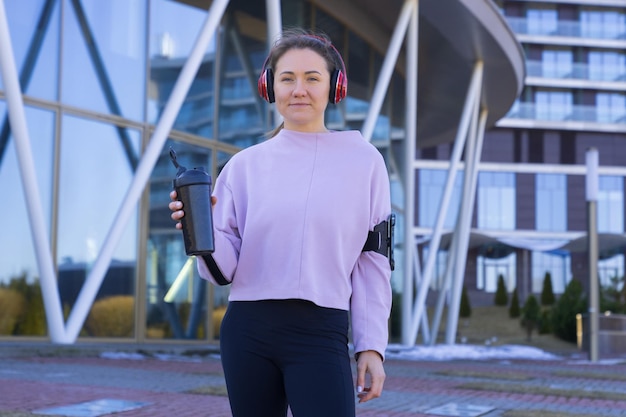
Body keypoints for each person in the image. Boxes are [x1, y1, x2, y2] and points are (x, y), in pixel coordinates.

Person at [169, 28, 393, 417]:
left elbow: (373, 261)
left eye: (312, 78)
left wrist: (371, 346)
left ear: (335, 87)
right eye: (287, 78)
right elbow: (224, 270)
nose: (299, 89)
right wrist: (197, 229)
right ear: (270, 87)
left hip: (321, 330)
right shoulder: (243, 166)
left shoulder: (365, 161)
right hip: (248, 331)